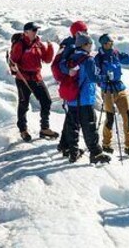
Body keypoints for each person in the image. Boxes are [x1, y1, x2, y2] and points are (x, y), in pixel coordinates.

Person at [60, 33, 111, 164]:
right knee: (89, 126)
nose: (91, 46)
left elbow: (62, 67)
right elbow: (94, 77)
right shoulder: (87, 60)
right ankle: (96, 153)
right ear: (85, 45)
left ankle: (73, 152)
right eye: (90, 44)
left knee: (72, 127)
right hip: (84, 99)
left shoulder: (71, 57)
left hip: (72, 99)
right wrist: (106, 77)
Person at [9, 21, 59, 141]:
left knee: (46, 101)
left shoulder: (38, 44)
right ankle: (23, 129)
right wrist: (13, 67)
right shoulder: (20, 45)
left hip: (36, 77)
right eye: (34, 30)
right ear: (26, 32)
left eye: (36, 30)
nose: (36, 32)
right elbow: (13, 60)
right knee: (23, 104)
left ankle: (44, 128)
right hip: (23, 79)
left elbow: (47, 59)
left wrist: (50, 47)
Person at [95, 34, 129, 155]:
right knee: (110, 117)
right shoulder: (98, 58)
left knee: (127, 115)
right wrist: (103, 80)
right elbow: (95, 75)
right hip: (107, 90)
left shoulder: (115, 54)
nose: (110, 45)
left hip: (119, 87)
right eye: (107, 43)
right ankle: (106, 143)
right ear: (102, 44)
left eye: (111, 42)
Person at [56, 20, 88, 157]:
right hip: (71, 83)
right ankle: (69, 148)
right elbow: (61, 64)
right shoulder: (70, 45)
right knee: (73, 118)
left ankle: (64, 144)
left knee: (71, 117)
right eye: (83, 31)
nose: (86, 33)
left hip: (74, 83)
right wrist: (69, 71)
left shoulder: (74, 43)